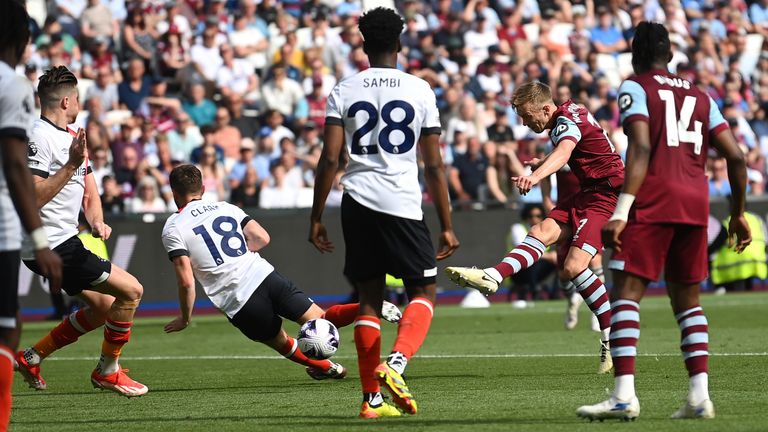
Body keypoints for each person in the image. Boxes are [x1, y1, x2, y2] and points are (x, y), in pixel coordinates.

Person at [576, 22, 751, 421]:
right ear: (670, 54)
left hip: (654, 200)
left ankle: (623, 396)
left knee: (626, 294)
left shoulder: (636, 86)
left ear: (635, 54)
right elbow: (737, 157)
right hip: (695, 202)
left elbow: (640, 145)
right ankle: (699, 396)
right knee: (688, 302)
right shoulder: (702, 96)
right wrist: (737, 213)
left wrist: (620, 212)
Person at [309, 7, 459, 419]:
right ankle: (396, 363)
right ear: (399, 43)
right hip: (401, 202)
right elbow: (433, 165)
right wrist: (446, 224)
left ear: (362, 42)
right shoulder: (420, 89)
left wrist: (316, 216)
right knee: (424, 292)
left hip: (356, 200)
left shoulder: (344, 89)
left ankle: (371, 401)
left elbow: (329, 158)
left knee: (369, 300)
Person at [446, 81, 625, 374]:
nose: (526, 123)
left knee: (573, 268)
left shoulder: (563, 122)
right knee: (541, 231)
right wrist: (543, 161)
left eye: (528, 116)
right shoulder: (570, 113)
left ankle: (610, 336)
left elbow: (566, 151)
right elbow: (587, 147)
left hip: (606, 196)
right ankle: (493, 276)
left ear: (545, 107)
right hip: (590, 191)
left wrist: (537, 175)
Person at [161, 165, 402, 379]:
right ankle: (370, 307)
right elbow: (261, 237)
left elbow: (186, 281)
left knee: (282, 342)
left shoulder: (173, 227)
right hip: (264, 276)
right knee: (322, 319)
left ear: (174, 192)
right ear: (203, 187)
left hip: (238, 300)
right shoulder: (226, 207)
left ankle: (328, 367)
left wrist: (185, 317)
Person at [15, 66, 148, 397]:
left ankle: (32, 357)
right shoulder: (38, 137)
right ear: (64, 102)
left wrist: (97, 219)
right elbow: (32, 196)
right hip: (50, 243)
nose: (79, 103)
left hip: (67, 239)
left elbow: (89, 190)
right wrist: (71, 164)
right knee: (132, 292)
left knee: (104, 308)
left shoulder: (74, 136)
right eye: (76, 98)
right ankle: (108, 371)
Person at [0, 3, 63, 430]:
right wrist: (39, 240)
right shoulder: (14, 86)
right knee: (7, 328)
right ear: (22, 41)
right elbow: (16, 164)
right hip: (2, 227)